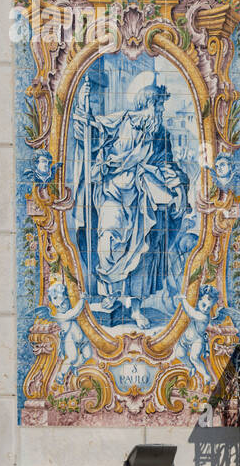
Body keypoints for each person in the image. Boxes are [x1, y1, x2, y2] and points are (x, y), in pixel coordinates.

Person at [70, 80, 189, 328]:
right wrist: (83, 105)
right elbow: (91, 132)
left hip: (142, 196)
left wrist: (178, 187)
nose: (160, 110)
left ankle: (135, 308)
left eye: (161, 106)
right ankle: (109, 293)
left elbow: (167, 164)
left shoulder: (160, 135)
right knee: (107, 239)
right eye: (157, 105)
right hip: (113, 191)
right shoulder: (121, 120)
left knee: (141, 253)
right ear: (146, 103)